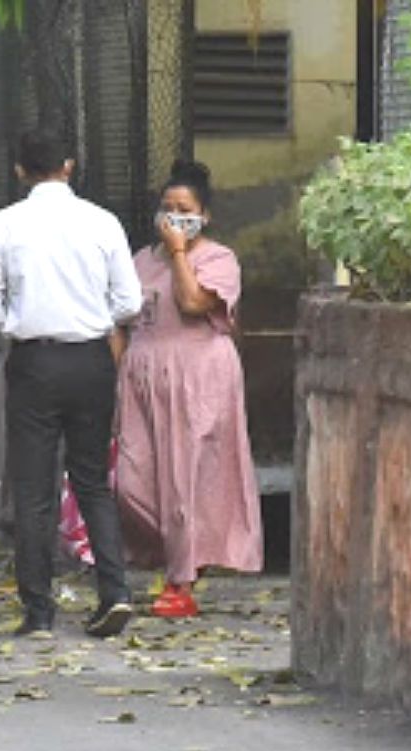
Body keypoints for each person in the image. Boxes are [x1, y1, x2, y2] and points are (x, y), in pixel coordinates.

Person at [0, 129, 142, 638]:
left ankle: (39, 612)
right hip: (91, 360)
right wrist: (93, 318)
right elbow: (130, 302)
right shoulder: (103, 222)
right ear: (69, 166)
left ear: (19, 171)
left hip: (35, 361)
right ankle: (115, 592)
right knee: (92, 481)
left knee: (33, 489)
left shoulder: (4, 224)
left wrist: (20, 323)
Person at [113, 160, 263, 618]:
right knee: (130, 478)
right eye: (167, 208)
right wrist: (123, 368)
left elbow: (193, 302)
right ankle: (172, 556)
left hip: (199, 376)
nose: (174, 217)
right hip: (143, 377)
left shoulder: (219, 260)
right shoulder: (140, 260)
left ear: (204, 216)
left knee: (186, 481)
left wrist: (179, 254)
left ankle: (181, 582)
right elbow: (115, 319)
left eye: (185, 210)